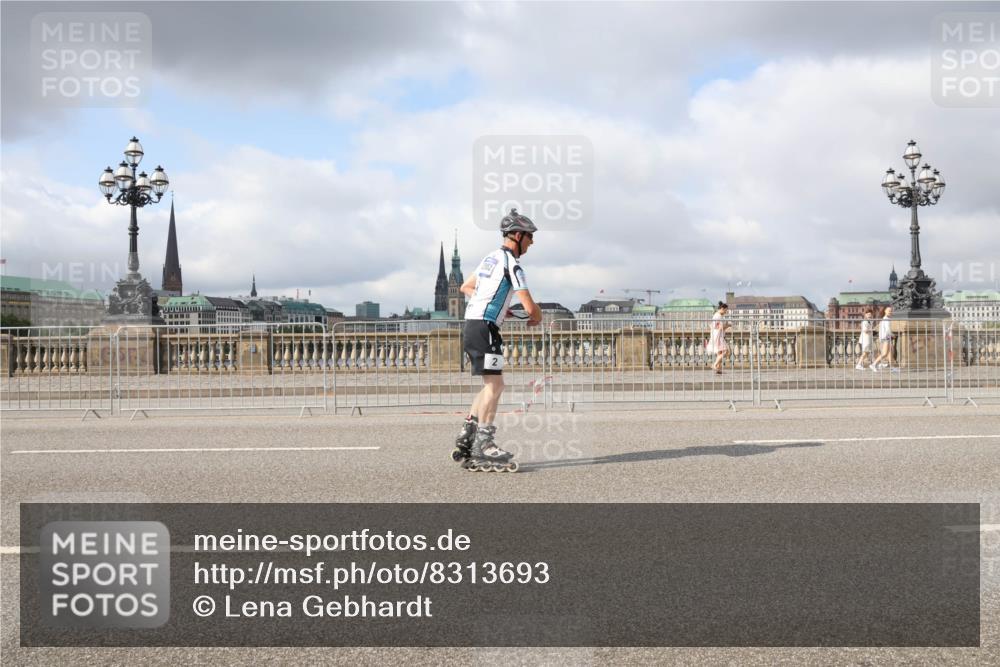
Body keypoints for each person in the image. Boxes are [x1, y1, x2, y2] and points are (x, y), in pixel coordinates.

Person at [451, 208, 542, 472]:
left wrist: (500, 306)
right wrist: (537, 315)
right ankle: (484, 443)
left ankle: (469, 431)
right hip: (487, 327)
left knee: (489, 384)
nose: (532, 242)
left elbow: (465, 287)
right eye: (529, 237)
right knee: (496, 386)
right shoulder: (512, 264)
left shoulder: (489, 259)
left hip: (472, 323)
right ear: (517, 235)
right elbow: (528, 303)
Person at [708, 302, 731, 374]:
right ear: (722, 308)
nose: (725, 312)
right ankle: (714, 365)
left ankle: (718, 369)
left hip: (718, 336)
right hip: (718, 336)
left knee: (720, 352)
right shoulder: (717, 316)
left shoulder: (718, 316)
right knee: (725, 351)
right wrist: (728, 325)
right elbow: (719, 327)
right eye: (725, 311)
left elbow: (716, 326)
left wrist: (725, 325)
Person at [871, 306, 895, 372]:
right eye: (889, 310)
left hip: (885, 337)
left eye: (891, 310)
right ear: (885, 311)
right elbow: (887, 330)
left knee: (890, 352)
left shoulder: (885, 319)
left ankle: (892, 367)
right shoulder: (886, 319)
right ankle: (874, 364)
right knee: (884, 353)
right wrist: (893, 335)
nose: (890, 312)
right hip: (886, 338)